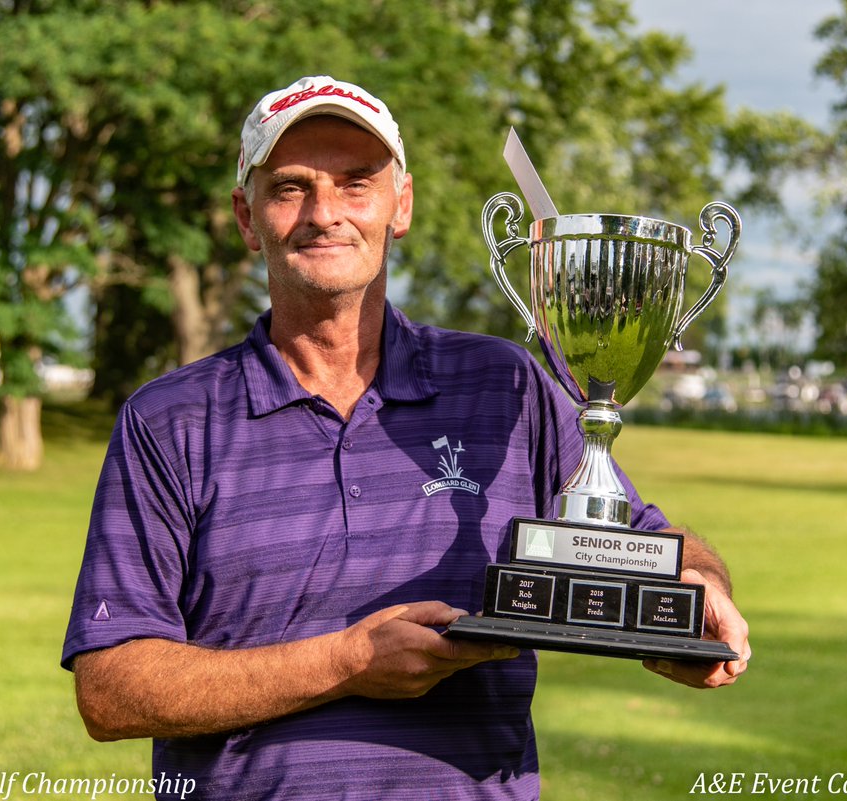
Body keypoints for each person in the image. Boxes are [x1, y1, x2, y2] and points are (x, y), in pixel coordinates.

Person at [62, 75, 750, 800]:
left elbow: (640, 540)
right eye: (291, 188)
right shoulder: (169, 419)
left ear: (402, 205)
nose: (325, 213)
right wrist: (348, 662)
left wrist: (699, 588)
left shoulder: (505, 386)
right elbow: (110, 689)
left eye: (357, 183)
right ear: (247, 216)